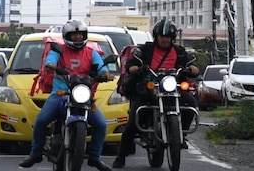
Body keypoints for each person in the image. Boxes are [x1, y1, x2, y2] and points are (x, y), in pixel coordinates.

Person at [19, 19, 115, 171]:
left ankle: (95, 158)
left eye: (80, 34)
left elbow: (101, 68)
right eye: (73, 35)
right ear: (66, 36)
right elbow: (50, 61)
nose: (77, 38)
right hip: (61, 93)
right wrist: (51, 66)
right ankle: (35, 153)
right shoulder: (58, 50)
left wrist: (105, 74)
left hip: (83, 95)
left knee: (102, 125)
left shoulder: (92, 53)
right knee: (41, 120)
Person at [112, 19, 200, 169]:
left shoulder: (179, 52)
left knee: (190, 102)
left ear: (172, 38)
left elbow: (190, 63)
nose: (165, 39)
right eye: (162, 36)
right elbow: (132, 63)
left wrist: (192, 68)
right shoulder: (145, 50)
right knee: (134, 120)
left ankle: (181, 134)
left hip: (172, 88)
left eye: (168, 37)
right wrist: (134, 68)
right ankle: (121, 156)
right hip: (148, 88)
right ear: (156, 36)